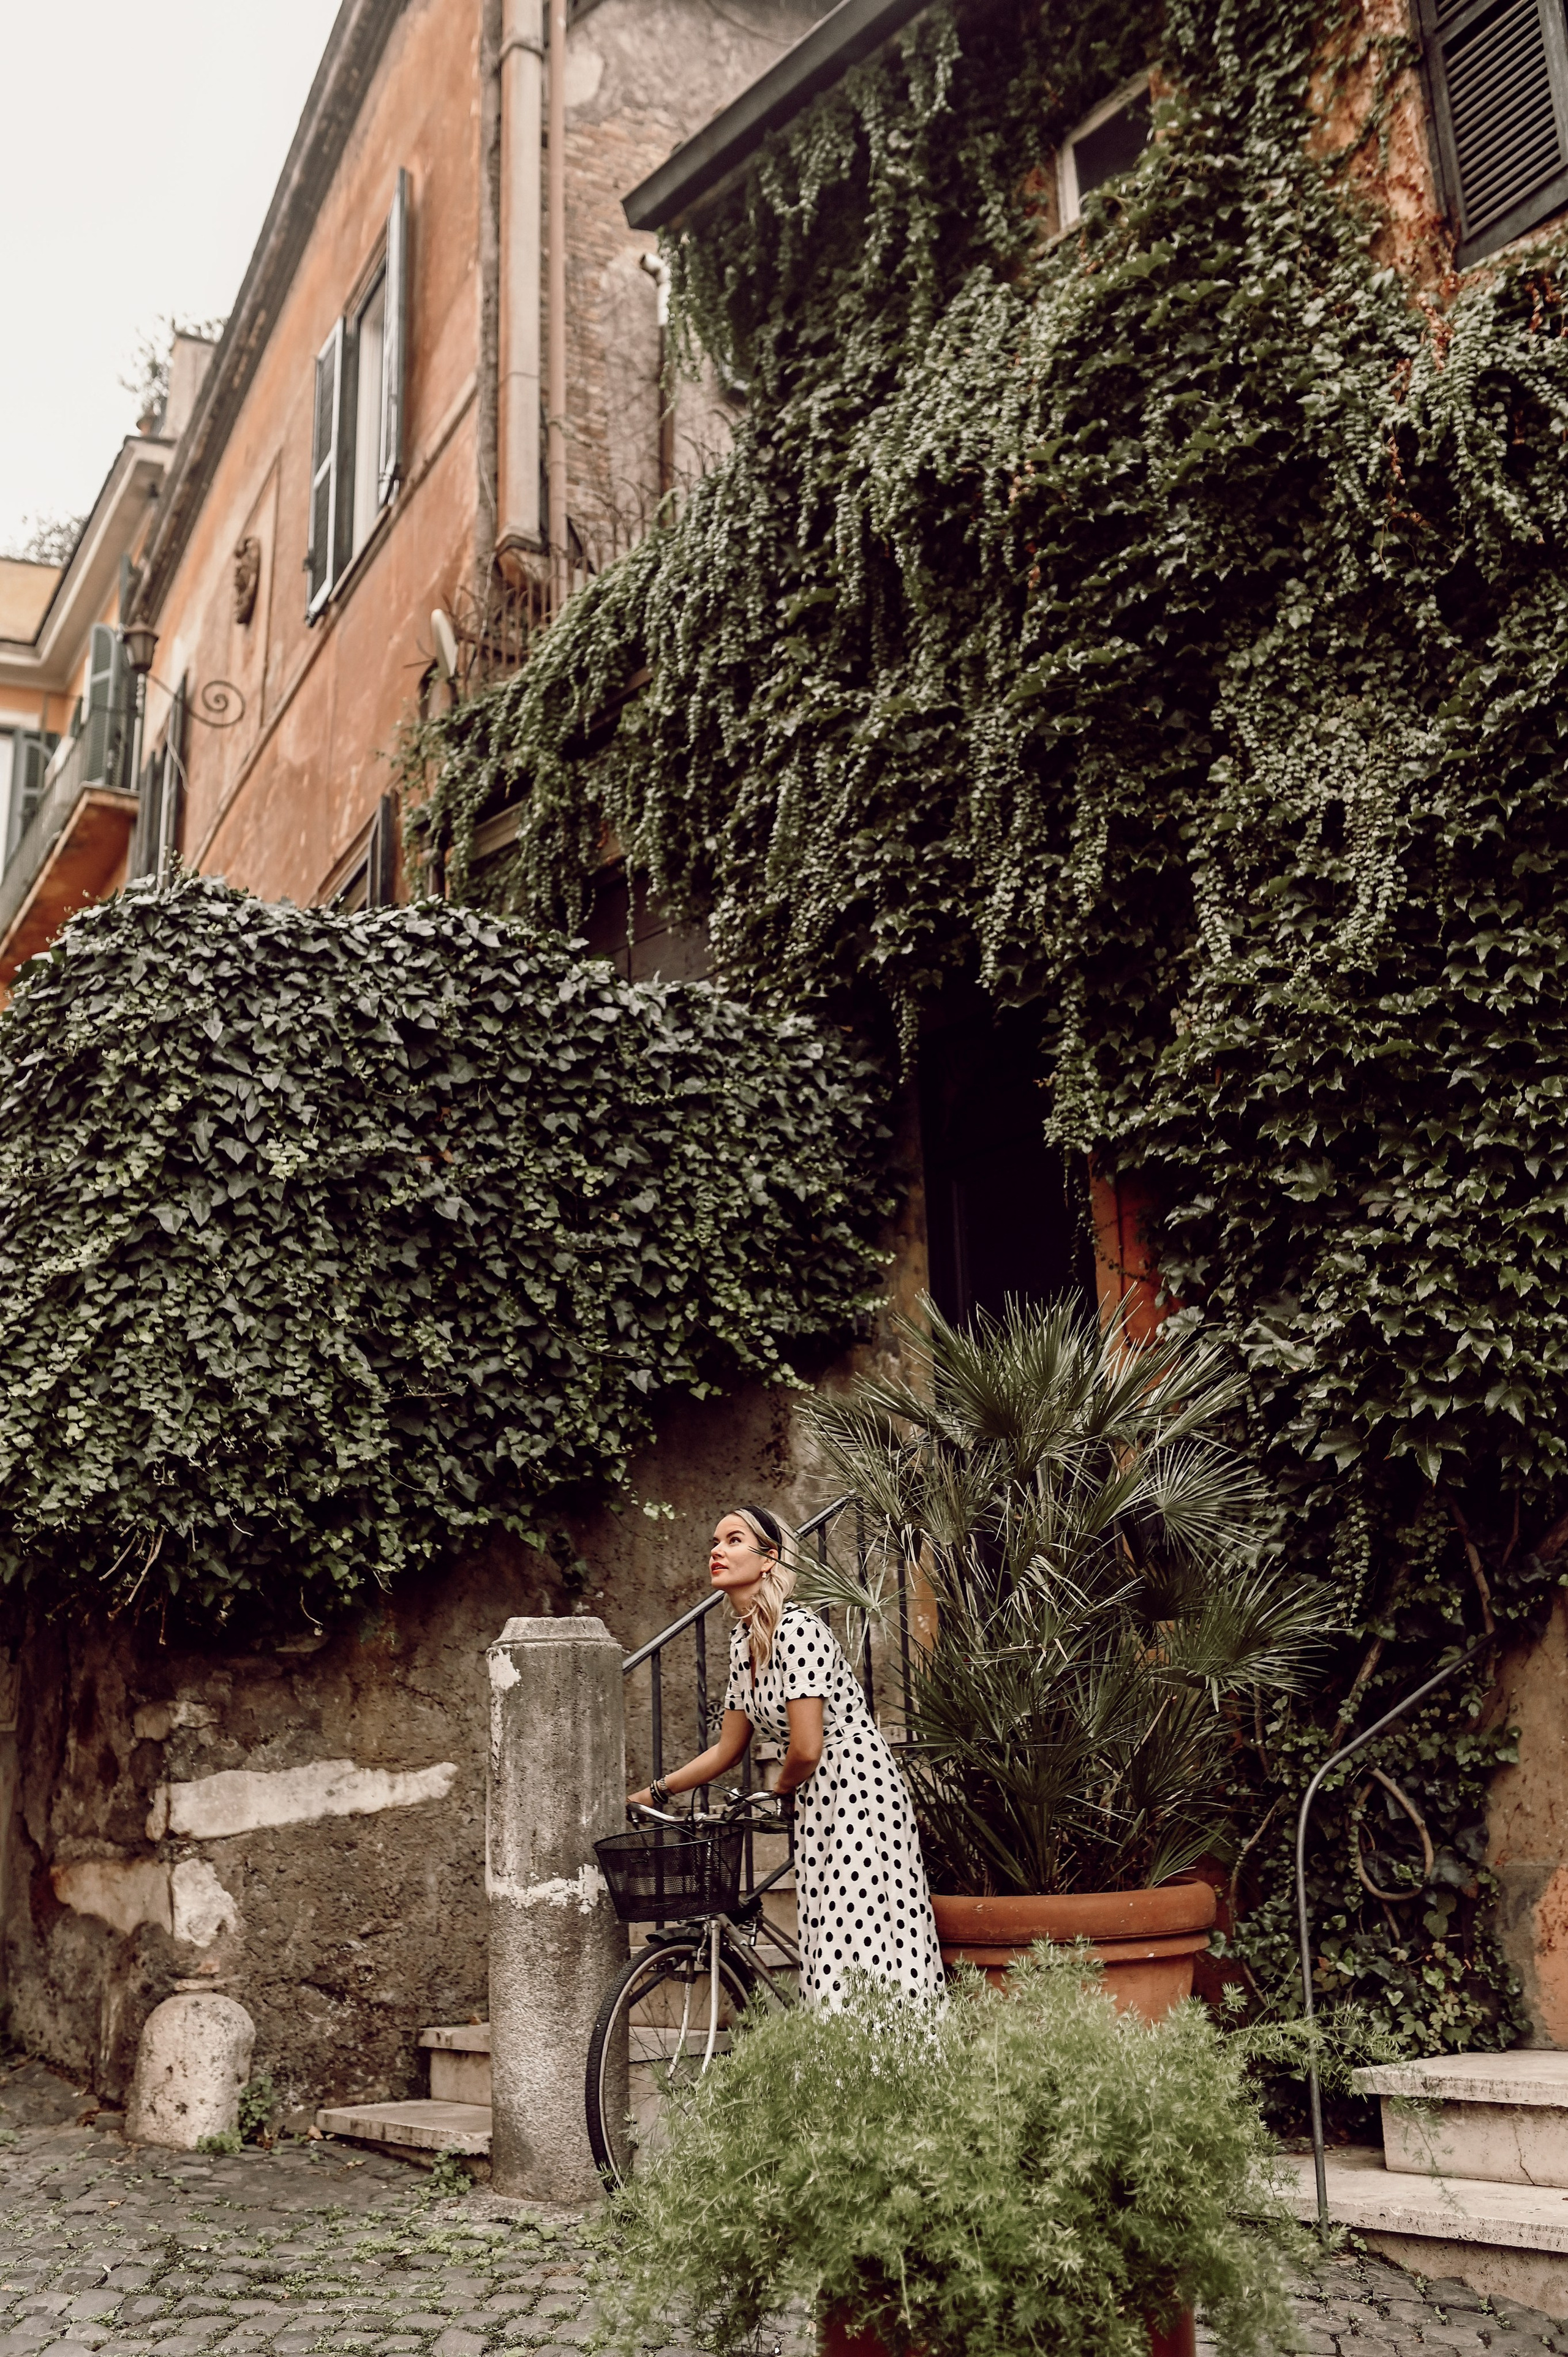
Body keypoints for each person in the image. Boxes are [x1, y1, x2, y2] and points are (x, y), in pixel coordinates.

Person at [627, 1504, 945, 2012]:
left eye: (733, 1540)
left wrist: (780, 1790)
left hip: (856, 1785)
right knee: (826, 1937)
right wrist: (656, 1792)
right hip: (818, 1793)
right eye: (715, 1541)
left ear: (769, 1559)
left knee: (858, 1936)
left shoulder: (799, 1630)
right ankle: (841, 2073)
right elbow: (729, 1749)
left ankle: (889, 2067)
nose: (716, 1551)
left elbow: (805, 1747)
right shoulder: (742, 1643)